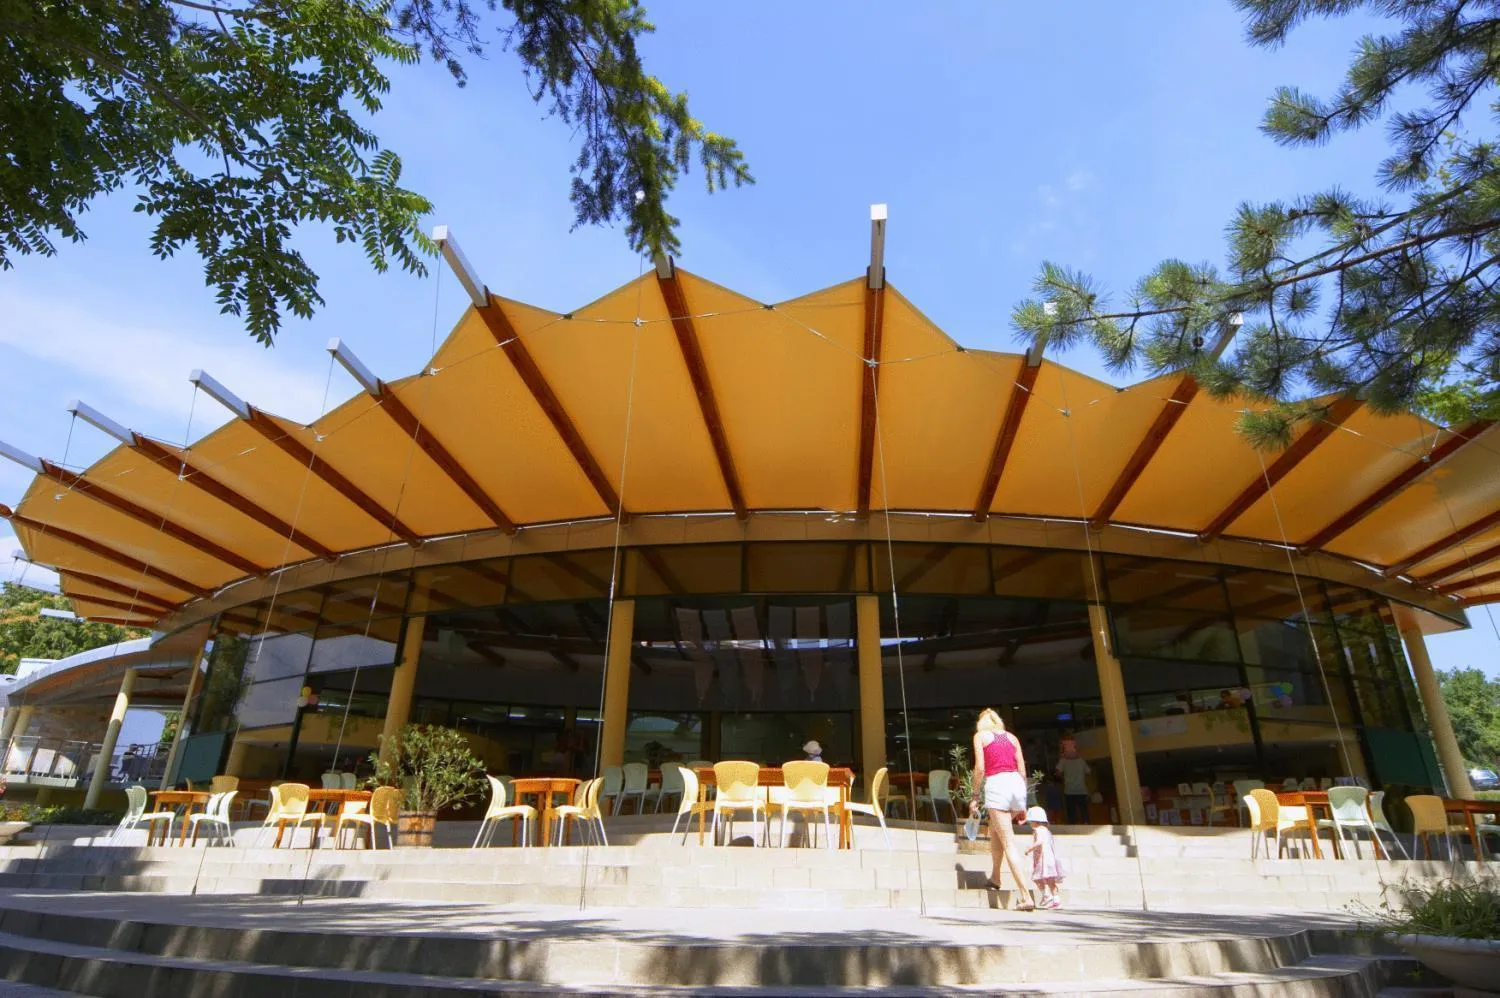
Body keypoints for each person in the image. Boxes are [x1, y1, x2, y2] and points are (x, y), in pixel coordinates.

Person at [968, 708, 1038, 911]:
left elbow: (980, 768)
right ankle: (995, 877)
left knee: (1009, 842)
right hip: (1016, 784)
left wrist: (974, 796)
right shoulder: (1012, 738)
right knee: (995, 829)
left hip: (997, 784)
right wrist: (1022, 801)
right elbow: (1022, 769)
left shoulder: (980, 736)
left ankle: (1026, 896)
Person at [1024, 806, 1065, 909]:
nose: (1030, 824)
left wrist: (1029, 849)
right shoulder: (1047, 831)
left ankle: (1046, 895)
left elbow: (1039, 842)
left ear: (1035, 821)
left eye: (1031, 822)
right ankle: (1056, 899)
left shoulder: (1038, 830)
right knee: (1051, 881)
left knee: (1037, 878)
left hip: (1043, 860)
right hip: (1050, 859)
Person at [1055, 736, 1090, 825]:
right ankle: (1086, 824)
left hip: (1069, 790)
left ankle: (1073, 828)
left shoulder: (1063, 761)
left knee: (1071, 813)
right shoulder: (1081, 760)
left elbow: (1058, 773)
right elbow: (1088, 772)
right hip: (1082, 790)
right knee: (1084, 811)